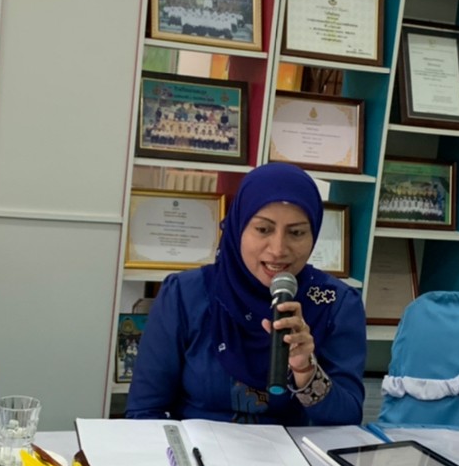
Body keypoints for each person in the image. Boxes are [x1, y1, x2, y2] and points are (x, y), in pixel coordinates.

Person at [127, 163, 366, 424]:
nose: (278, 249)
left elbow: (347, 421)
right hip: (197, 446)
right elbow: (144, 411)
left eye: (296, 233)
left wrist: (306, 370)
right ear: (239, 226)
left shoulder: (335, 303)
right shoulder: (185, 294)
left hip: (292, 449)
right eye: (263, 229)